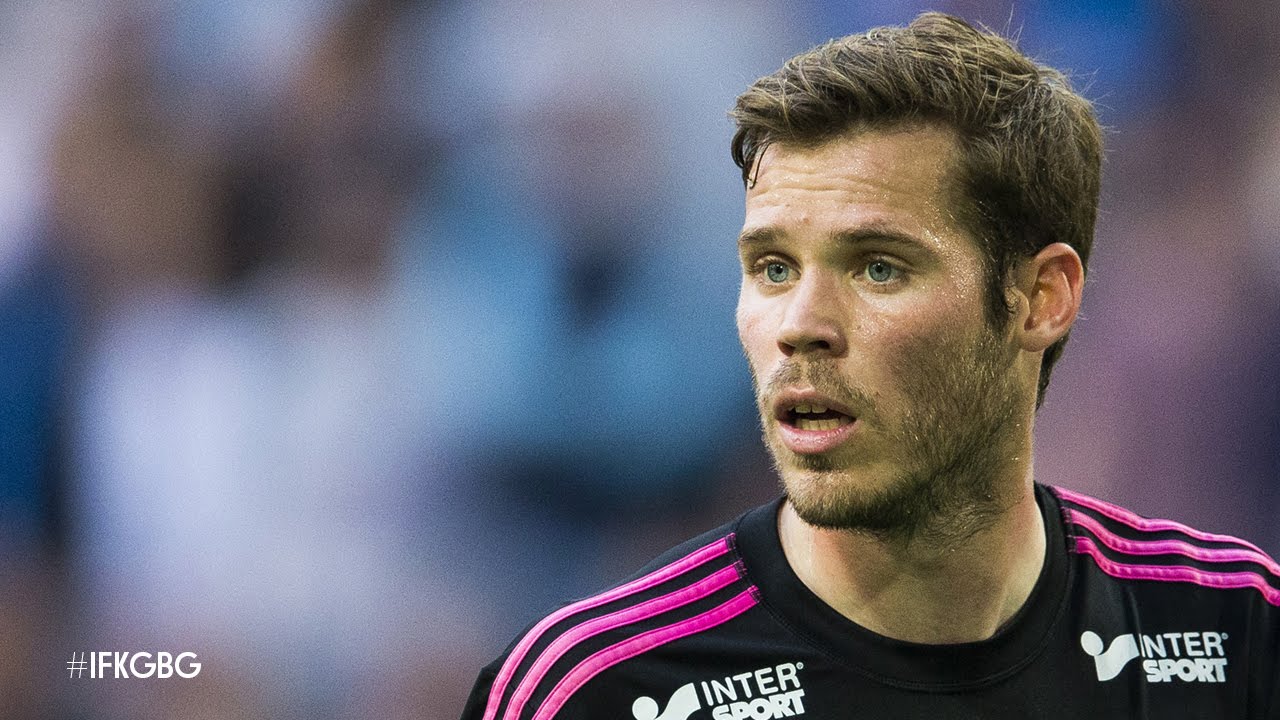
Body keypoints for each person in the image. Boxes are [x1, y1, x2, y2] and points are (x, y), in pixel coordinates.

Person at [461, 13, 1280, 719]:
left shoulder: (1240, 632)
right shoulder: (603, 690)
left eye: (878, 267)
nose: (800, 326)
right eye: (773, 268)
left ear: (1041, 299)